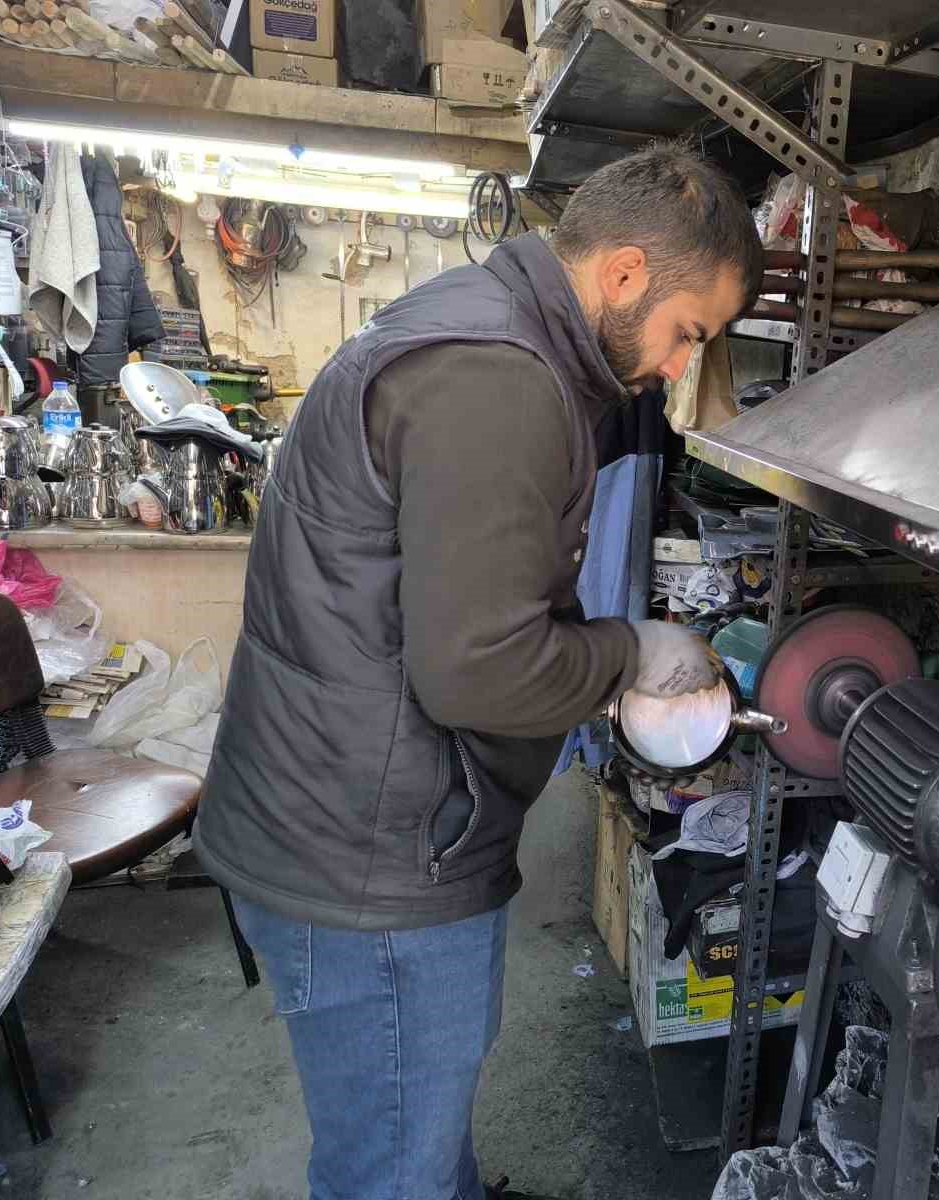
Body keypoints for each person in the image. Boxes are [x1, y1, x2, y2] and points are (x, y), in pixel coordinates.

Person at [195, 145, 764, 1200]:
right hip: (371, 861)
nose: (681, 366)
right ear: (627, 272)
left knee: (413, 1113)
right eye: (691, 332)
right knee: (393, 1165)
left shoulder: (485, 326)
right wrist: (629, 650)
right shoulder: (500, 381)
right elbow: (481, 674)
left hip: (356, 817)